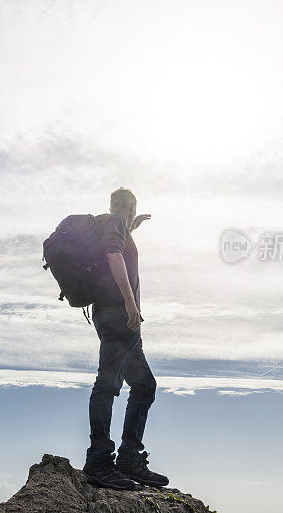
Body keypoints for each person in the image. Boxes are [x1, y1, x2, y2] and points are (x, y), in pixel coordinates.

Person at [81, 187, 169, 491]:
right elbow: (113, 255)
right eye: (132, 210)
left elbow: (115, 245)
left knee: (144, 385)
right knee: (108, 385)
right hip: (120, 316)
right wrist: (131, 305)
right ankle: (99, 462)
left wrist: (133, 226)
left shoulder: (115, 224)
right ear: (129, 206)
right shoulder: (116, 223)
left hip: (113, 316)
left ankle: (129, 459)